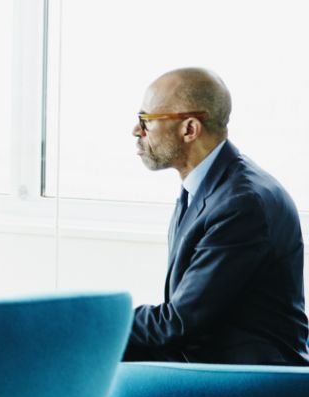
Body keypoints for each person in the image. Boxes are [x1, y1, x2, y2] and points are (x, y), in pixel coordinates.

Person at [125, 67, 309, 365]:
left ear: (189, 129)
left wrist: (100, 321)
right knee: (89, 356)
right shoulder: (208, 187)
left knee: (88, 353)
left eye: (145, 120)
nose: (137, 131)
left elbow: (179, 323)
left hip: (249, 374)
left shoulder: (241, 204)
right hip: (210, 355)